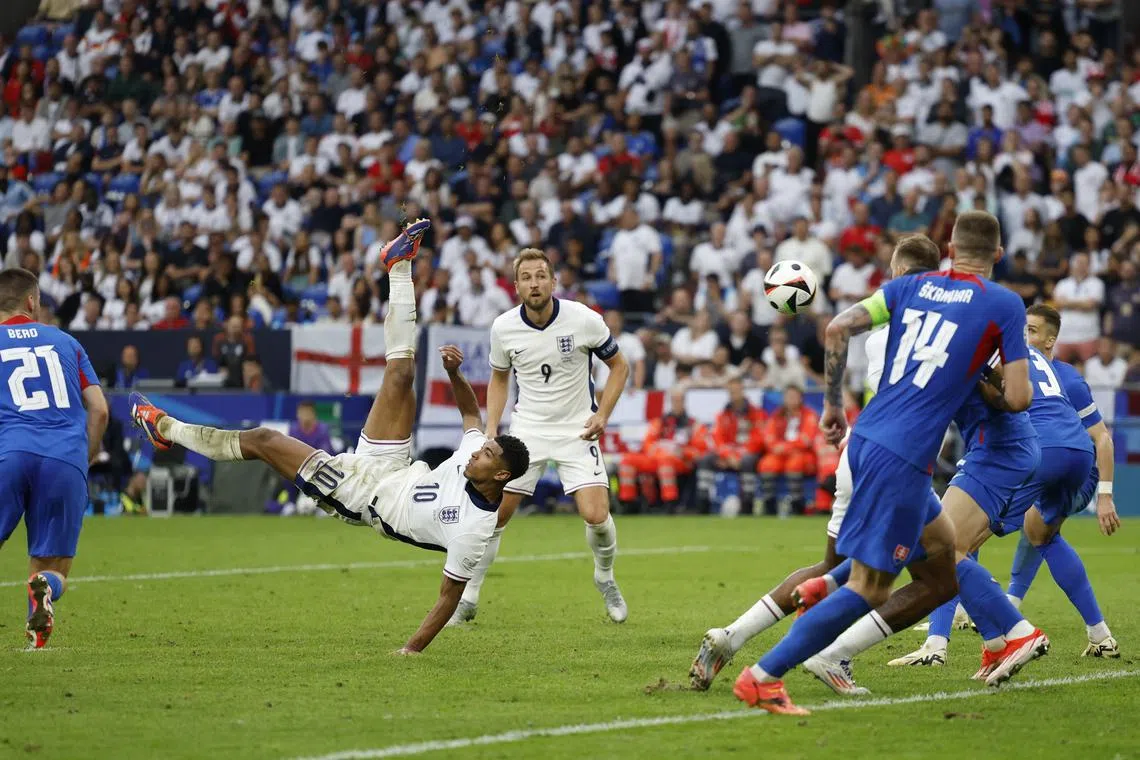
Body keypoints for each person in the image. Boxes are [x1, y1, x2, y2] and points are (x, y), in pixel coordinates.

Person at [130, 221, 530, 654]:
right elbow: (471, 412)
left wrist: (409, 651)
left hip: (361, 497)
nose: (477, 451)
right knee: (401, 374)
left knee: (265, 440)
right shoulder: (476, 454)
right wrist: (453, 373)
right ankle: (399, 265)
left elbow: (447, 599)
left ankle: (166, 428)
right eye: (483, 446)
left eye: (487, 453)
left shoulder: (475, 529)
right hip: (391, 466)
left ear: (501, 474)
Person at [732, 214, 1036, 715]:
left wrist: (832, 405)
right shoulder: (1002, 303)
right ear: (998, 255)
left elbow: (837, 326)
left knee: (943, 565)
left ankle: (824, 584)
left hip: (869, 435)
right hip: (904, 455)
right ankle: (763, 675)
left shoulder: (910, 285)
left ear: (949, 246)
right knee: (872, 587)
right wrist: (987, 381)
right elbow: (1021, 397)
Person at [688, 234, 939, 691]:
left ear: (899, 275)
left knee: (842, 569)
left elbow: (844, 332)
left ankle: (731, 636)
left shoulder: (883, 331)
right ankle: (819, 658)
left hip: (862, 453)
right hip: (895, 461)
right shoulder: (930, 336)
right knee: (926, 573)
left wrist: (833, 405)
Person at [892, 304, 1121, 667]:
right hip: (1076, 456)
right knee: (1041, 535)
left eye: (1034, 330)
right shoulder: (1062, 374)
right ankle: (1099, 634)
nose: (1027, 335)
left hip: (1032, 448)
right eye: (1025, 328)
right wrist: (1105, 495)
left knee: (952, 541)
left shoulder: (991, 348)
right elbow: (1097, 437)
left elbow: (1006, 399)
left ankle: (952, 642)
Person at [447, 248, 632, 627]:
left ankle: (605, 577)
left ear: (554, 281)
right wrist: (492, 428)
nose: (534, 283)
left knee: (596, 516)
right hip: (528, 430)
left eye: (540, 276)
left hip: (578, 428)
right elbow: (499, 378)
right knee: (495, 515)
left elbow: (620, 366)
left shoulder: (583, 319)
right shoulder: (503, 327)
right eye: (527, 277)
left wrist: (603, 414)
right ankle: (469, 596)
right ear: (516, 287)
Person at [0, 268, 109, 648]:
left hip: (10, 452)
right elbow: (99, 410)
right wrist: (88, 455)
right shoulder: (66, 342)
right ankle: (40, 604)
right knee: (51, 565)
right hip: (64, 457)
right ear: (32, 302)